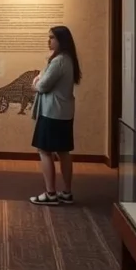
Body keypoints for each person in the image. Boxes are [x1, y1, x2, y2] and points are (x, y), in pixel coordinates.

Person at [29, 25, 82, 206]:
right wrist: (40, 79)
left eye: (52, 37)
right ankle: (66, 192)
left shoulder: (59, 61)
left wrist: (36, 82)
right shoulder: (67, 59)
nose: (48, 41)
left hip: (51, 112)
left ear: (62, 40)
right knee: (63, 152)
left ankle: (50, 193)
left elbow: (42, 85)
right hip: (63, 111)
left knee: (45, 151)